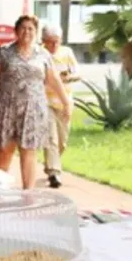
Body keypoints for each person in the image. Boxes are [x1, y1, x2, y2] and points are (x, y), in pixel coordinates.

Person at [0, 15, 71, 190]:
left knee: (29, 151)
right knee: (5, 150)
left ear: (36, 33)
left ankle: (28, 195)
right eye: (23, 28)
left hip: (33, 110)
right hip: (7, 108)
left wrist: (66, 102)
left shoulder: (43, 54)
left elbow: (53, 79)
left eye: (31, 29)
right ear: (16, 31)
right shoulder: (4, 52)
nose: (27, 32)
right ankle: (0, 190)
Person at [41, 22, 80, 188]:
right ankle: (54, 174)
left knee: (62, 142)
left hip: (65, 103)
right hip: (46, 102)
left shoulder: (67, 52)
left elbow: (78, 73)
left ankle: (50, 164)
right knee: (52, 139)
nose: (53, 45)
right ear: (43, 41)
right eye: (50, 41)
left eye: (56, 41)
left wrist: (67, 78)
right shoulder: (40, 54)